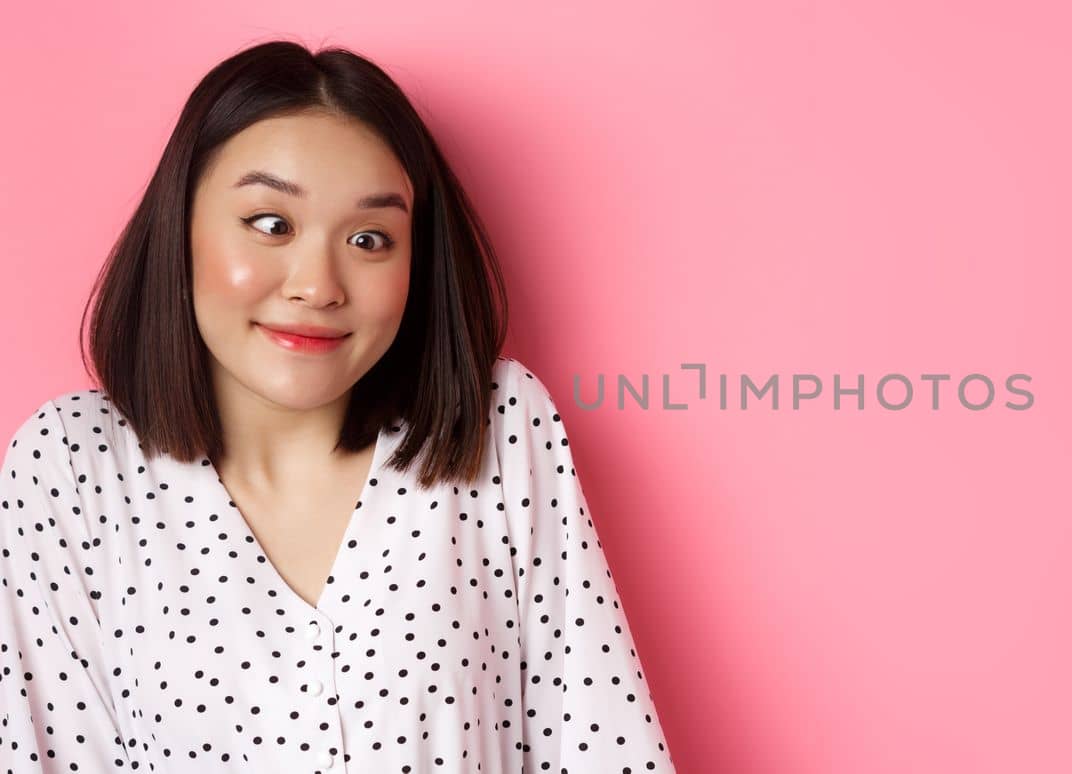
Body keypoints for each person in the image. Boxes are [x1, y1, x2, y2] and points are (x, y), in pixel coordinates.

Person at [0, 40, 675, 773]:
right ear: (180, 226)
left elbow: (602, 745)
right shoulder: (71, 466)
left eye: (368, 238)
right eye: (270, 224)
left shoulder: (500, 428)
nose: (318, 286)